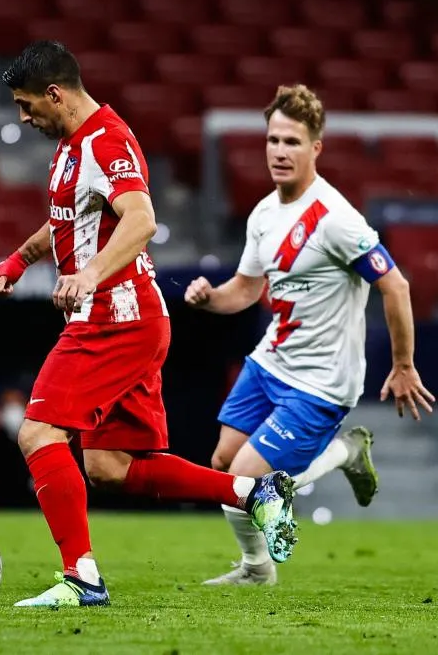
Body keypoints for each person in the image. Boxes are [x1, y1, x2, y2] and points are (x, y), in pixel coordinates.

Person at [0, 41, 297, 609]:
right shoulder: (70, 148)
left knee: (38, 433)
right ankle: (252, 491)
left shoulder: (107, 140)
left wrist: (90, 275)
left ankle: (82, 580)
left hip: (114, 316)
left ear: (56, 94)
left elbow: (143, 218)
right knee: (110, 467)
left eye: (27, 105)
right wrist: (21, 258)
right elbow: (67, 221)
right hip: (132, 316)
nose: (23, 117)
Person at [185, 84, 434, 586]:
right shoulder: (262, 215)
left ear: (315, 148)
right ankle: (256, 568)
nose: (280, 151)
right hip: (271, 362)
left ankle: (345, 452)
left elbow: (396, 285)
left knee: (246, 478)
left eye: (292, 142)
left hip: (321, 382)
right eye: (273, 140)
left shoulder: (337, 220)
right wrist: (211, 297)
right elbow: (245, 289)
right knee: (220, 462)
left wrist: (403, 364)